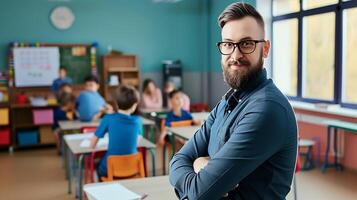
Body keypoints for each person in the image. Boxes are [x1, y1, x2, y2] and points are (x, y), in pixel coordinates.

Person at [169, 3, 298, 200]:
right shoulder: (227, 102)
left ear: (265, 49)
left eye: (246, 44)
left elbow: (199, 193)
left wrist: (201, 168)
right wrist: (198, 165)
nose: (235, 55)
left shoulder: (267, 109)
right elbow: (178, 159)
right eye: (228, 44)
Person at [89, 85, 141, 178]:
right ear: (134, 106)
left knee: (96, 165)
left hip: (111, 168)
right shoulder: (138, 121)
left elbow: (92, 145)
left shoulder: (108, 118)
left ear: (116, 104)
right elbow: (136, 143)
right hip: (132, 167)